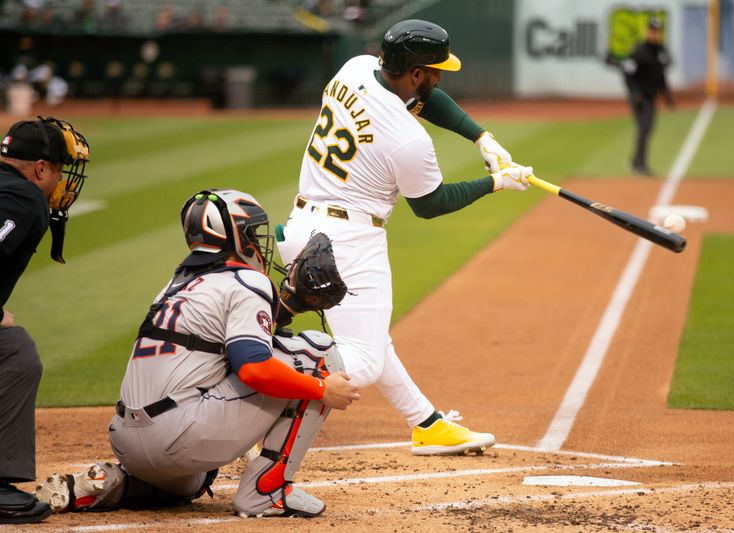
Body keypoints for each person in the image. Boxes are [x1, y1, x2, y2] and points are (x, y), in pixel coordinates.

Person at [276, 19, 534, 456]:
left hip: (302, 228)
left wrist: (480, 136)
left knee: (373, 337)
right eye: (434, 71)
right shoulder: (407, 140)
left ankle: (427, 424)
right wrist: (496, 183)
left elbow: (419, 101)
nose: (439, 77)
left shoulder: (354, 69)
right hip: (351, 243)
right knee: (364, 361)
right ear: (415, 73)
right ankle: (262, 391)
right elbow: (429, 204)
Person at [35, 189, 360, 518]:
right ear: (234, 235)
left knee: (192, 482)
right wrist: (322, 388)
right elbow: (254, 369)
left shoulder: (177, 284)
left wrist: (288, 303)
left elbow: (224, 338)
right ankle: (268, 492)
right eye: (251, 232)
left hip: (128, 441)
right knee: (316, 352)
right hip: (178, 436)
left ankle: (111, 482)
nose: (257, 241)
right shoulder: (249, 280)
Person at [0, 116, 90, 524]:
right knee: (16, 353)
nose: (62, 182)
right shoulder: (23, 198)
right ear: (39, 168)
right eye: (58, 170)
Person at [608, 17, 675, 176]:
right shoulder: (639, 51)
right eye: (652, 30)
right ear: (647, 31)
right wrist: (635, 94)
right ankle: (639, 164)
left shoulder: (661, 50)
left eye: (657, 31)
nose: (655, 34)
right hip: (639, 97)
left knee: (647, 128)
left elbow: (661, 76)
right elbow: (627, 74)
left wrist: (667, 97)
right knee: (645, 128)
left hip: (651, 97)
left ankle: (635, 161)